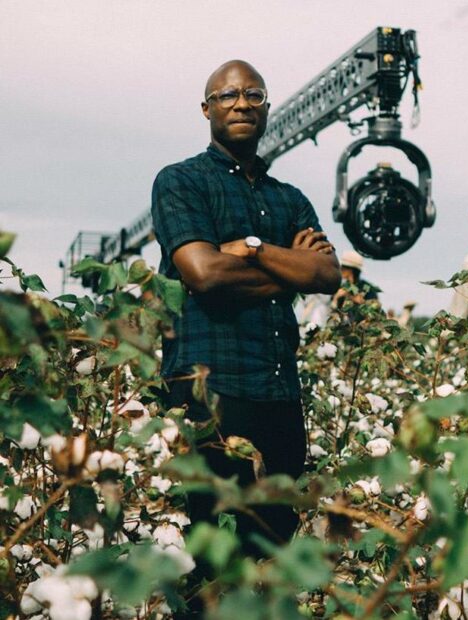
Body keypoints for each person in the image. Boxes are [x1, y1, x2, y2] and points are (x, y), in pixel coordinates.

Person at [151, 60, 340, 557]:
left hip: (278, 398)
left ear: (267, 108)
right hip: (209, 397)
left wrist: (251, 250)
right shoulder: (180, 182)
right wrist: (286, 269)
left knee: (271, 553)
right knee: (206, 554)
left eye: (253, 96)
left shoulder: (289, 199)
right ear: (206, 109)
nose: (240, 104)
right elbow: (204, 275)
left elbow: (325, 275)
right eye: (227, 96)